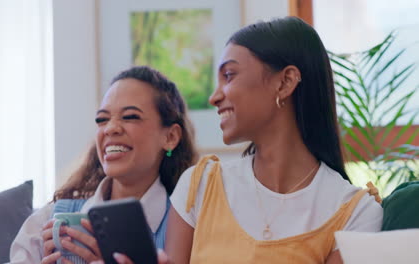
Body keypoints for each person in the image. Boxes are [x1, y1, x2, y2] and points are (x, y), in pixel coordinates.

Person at [113, 16, 383, 264]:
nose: (214, 97)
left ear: (285, 82)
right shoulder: (200, 186)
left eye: (229, 75)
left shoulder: (356, 213)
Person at [9, 66, 198, 264]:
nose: (110, 128)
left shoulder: (192, 224)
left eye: (130, 116)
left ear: (170, 137)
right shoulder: (49, 220)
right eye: (102, 119)